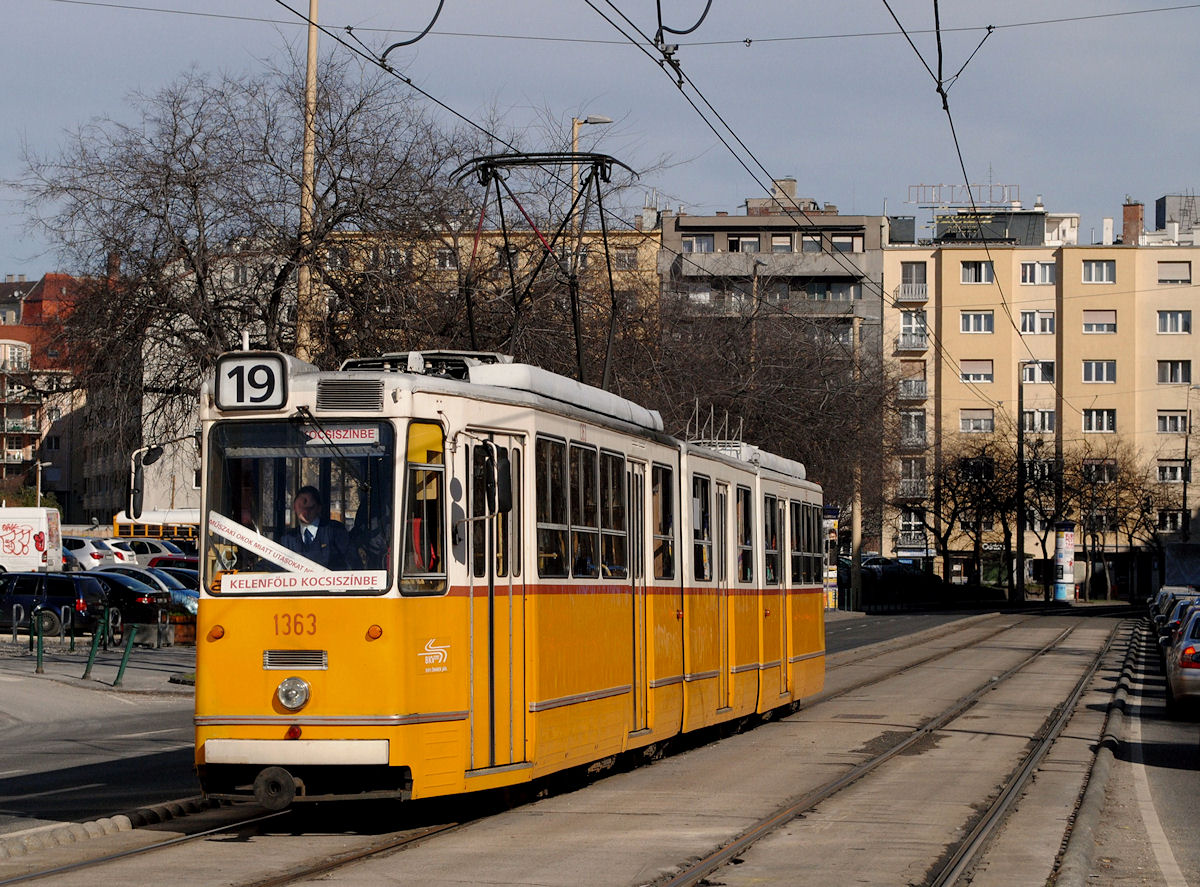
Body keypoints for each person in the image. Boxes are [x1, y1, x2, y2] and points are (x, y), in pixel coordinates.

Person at [280, 486, 362, 570]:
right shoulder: (288, 538)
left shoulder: (335, 530)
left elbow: (353, 563)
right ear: (294, 507)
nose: (305, 511)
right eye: (301, 506)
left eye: (311, 507)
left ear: (319, 508)